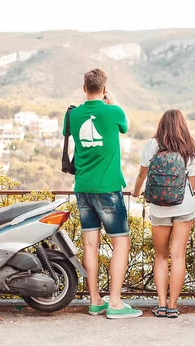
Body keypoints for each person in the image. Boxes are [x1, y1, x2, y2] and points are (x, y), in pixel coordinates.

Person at [63, 68, 142, 319]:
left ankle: (95, 300)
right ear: (105, 89)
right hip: (108, 188)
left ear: (84, 88)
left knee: (89, 244)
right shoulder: (113, 111)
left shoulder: (72, 115)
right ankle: (115, 303)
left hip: (83, 187)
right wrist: (114, 102)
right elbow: (125, 127)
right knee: (121, 243)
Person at [132, 109, 195, 319]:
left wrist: (136, 192)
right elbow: (192, 184)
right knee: (178, 255)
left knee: (161, 256)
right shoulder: (189, 148)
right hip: (184, 207)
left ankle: (160, 305)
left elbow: (142, 174)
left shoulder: (152, 145)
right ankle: (172, 306)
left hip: (159, 208)